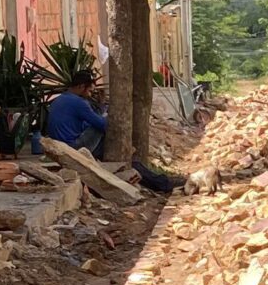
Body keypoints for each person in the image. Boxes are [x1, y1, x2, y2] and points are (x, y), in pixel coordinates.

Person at [41, 69, 182, 194]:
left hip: (64, 145)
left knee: (130, 161)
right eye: (89, 91)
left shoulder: (60, 100)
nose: (90, 95)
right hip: (74, 146)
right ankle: (163, 183)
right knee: (110, 121)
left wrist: (101, 106)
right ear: (81, 87)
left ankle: (160, 182)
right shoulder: (79, 103)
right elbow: (101, 124)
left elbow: (84, 124)